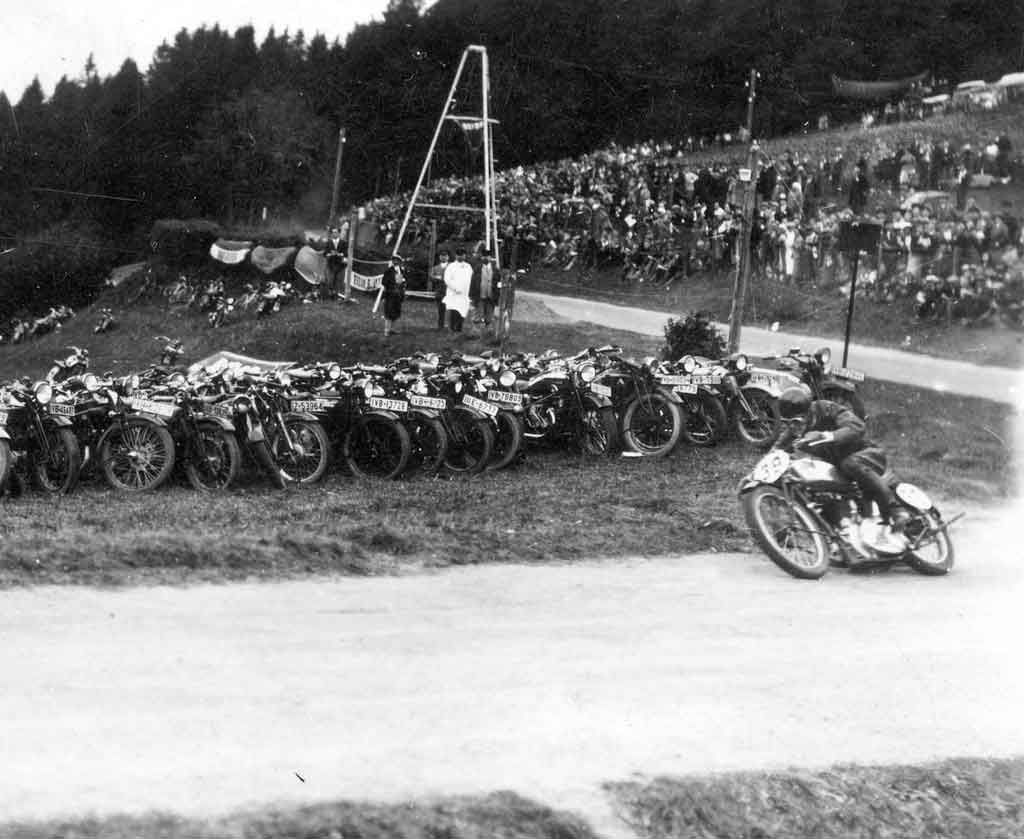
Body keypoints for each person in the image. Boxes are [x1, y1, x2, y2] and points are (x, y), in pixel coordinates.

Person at [775, 385, 907, 555]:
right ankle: (840, 539)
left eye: (796, 422)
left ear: (808, 413)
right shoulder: (794, 431)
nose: (793, 428)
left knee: (849, 463)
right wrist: (755, 476)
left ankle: (896, 510)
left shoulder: (826, 408)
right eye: (787, 423)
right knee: (814, 488)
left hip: (866, 454)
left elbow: (856, 426)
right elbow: (776, 451)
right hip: (841, 469)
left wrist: (826, 436)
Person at [443, 247, 472, 334]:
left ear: (465, 256)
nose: (460, 256)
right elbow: (447, 279)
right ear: (456, 256)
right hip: (454, 294)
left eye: (462, 255)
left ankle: (459, 329)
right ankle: (452, 328)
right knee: (454, 311)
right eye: (459, 255)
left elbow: (470, 279)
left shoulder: (468, 266)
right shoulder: (451, 266)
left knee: (462, 312)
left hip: (464, 294)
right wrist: (455, 288)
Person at [380, 253, 406, 338]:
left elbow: (402, 282)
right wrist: (391, 285)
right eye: (394, 260)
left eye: (397, 260)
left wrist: (402, 286)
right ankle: (387, 330)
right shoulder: (388, 271)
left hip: (399, 294)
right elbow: (384, 282)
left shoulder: (402, 270)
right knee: (389, 311)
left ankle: (392, 329)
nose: (395, 261)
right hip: (390, 294)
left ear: (400, 261)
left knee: (396, 311)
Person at [430, 250, 450, 330]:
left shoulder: (451, 267)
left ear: (448, 257)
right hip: (439, 291)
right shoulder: (435, 268)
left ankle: (450, 325)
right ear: (439, 257)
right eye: (442, 256)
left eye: (445, 256)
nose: (443, 257)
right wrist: (437, 278)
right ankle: (440, 325)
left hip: (450, 291)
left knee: (451, 309)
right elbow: (431, 277)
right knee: (441, 309)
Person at [324, 225, 347, 297]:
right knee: (330, 280)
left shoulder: (343, 243)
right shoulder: (328, 242)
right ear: (331, 234)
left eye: (336, 232)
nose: (334, 234)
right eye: (333, 232)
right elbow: (325, 253)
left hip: (340, 264)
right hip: (331, 264)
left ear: (339, 233)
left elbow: (346, 253)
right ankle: (330, 293)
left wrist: (339, 254)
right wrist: (330, 254)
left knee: (339, 280)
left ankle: (337, 294)